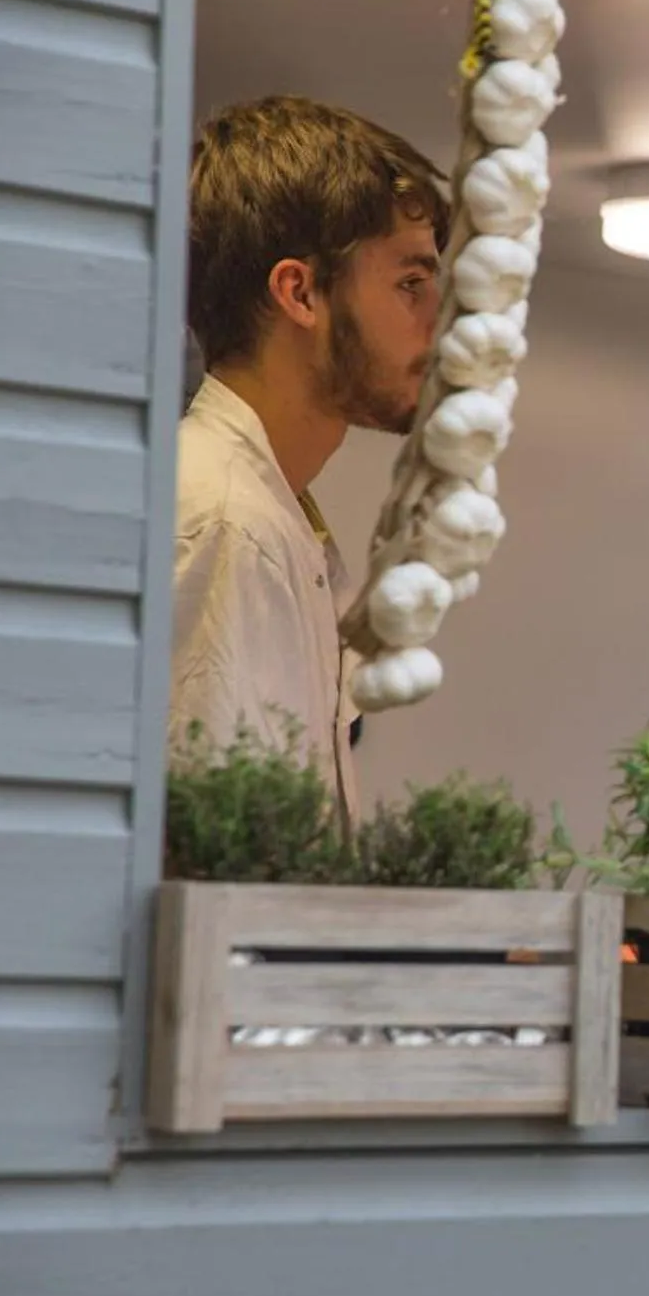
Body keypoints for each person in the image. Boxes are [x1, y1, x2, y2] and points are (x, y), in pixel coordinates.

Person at [174, 96, 449, 817]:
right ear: (299, 292)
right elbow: (220, 871)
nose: (438, 318)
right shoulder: (228, 521)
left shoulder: (274, 514)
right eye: (410, 283)